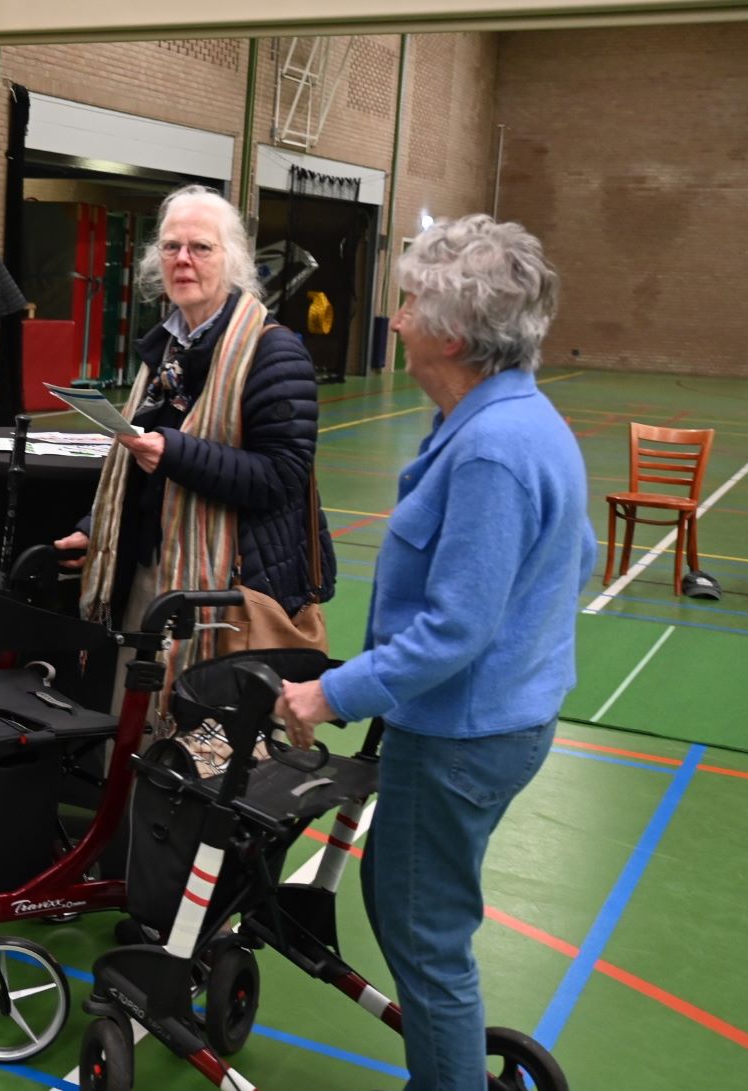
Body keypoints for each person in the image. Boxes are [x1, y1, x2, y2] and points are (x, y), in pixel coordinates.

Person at [274, 215, 594, 1091]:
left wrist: (330, 694)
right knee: (404, 898)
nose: (399, 318)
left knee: (423, 935)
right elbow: (581, 556)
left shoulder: (491, 447)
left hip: (461, 734)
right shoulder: (515, 417)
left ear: (452, 333)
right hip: (492, 718)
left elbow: (454, 631)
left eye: (410, 302)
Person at [54, 184, 335, 701]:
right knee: (134, 732)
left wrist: (174, 453)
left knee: (198, 747)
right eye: (170, 247)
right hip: (151, 574)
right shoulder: (163, 347)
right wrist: (100, 528)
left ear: (232, 261)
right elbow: (139, 467)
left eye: (200, 248)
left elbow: (283, 478)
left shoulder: (274, 354)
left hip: (228, 595)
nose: (183, 260)